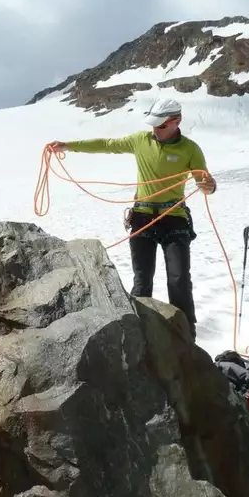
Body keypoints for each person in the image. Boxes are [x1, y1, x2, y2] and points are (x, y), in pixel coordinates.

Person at [47, 98, 216, 340]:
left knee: (178, 280)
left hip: (174, 218)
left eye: (160, 126)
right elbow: (107, 144)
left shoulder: (190, 149)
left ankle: (186, 336)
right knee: (142, 280)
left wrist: (209, 186)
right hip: (143, 216)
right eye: (154, 125)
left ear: (176, 122)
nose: (155, 130)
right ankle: (139, 337)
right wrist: (67, 146)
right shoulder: (141, 140)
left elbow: (204, 182)